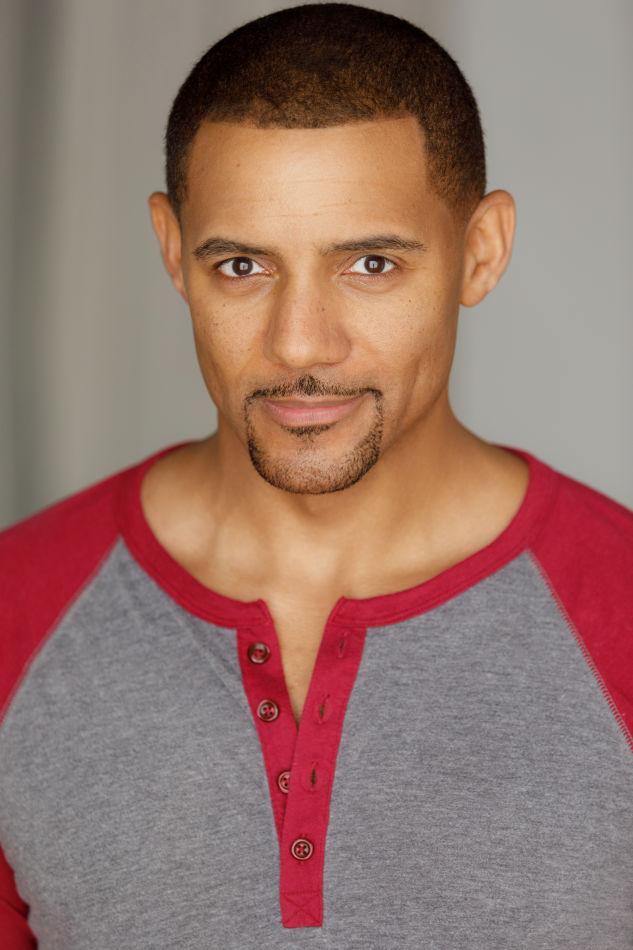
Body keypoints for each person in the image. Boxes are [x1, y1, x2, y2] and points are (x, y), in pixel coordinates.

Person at [1, 3, 632, 946]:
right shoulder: (15, 609)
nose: (300, 344)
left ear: (481, 250)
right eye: (241, 265)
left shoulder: (619, 609)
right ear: (173, 250)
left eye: (370, 263)